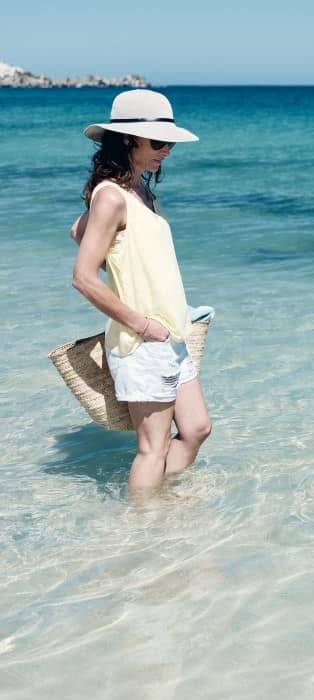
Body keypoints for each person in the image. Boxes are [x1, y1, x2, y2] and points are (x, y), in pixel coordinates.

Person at [70, 89, 211, 494]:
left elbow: (78, 231)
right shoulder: (111, 197)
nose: (166, 151)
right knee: (152, 448)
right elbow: (83, 277)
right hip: (143, 340)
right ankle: (143, 520)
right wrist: (141, 322)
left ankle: (155, 504)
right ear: (129, 139)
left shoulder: (139, 191)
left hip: (172, 336)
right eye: (158, 142)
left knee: (197, 428)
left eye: (170, 144)